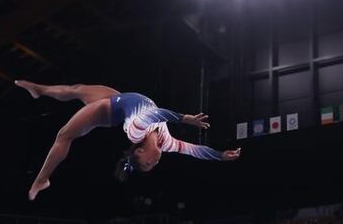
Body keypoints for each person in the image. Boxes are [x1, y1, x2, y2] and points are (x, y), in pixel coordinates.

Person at [16, 80, 241, 200]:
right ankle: (40, 90)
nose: (155, 162)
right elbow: (195, 151)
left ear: (139, 152)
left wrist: (185, 119)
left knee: (64, 135)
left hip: (107, 111)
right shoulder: (166, 142)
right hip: (117, 97)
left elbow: (156, 113)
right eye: (153, 166)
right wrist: (220, 156)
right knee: (76, 89)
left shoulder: (135, 131)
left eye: (147, 163)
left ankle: (41, 180)